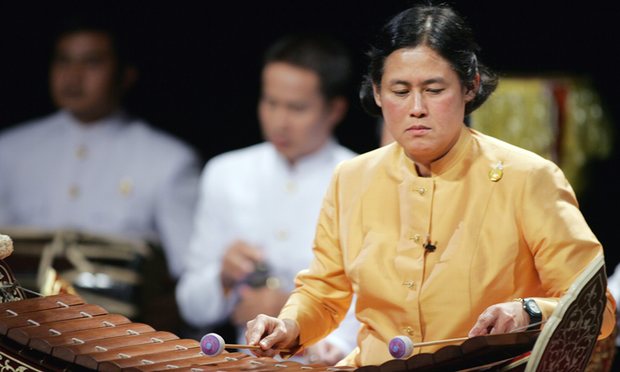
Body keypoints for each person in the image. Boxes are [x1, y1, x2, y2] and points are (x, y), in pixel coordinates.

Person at [244, 4, 616, 367]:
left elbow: (597, 311)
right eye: (400, 91)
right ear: (377, 92)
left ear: (470, 87)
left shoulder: (529, 178)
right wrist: (289, 325)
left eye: (434, 90)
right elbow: (323, 293)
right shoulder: (351, 179)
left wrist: (529, 310)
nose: (416, 108)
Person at [175, 34, 359, 364]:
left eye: (297, 108)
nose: (279, 121)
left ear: (335, 109)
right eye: (270, 103)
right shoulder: (225, 172)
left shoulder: (359, 177)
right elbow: (191, 304)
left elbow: (376, 301)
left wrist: (291, 311)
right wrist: (223, 277)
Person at [0, 18, 201, 280]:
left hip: (118, 316)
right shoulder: (11, 148)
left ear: (125, 74)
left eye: (92, 62)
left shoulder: (169, 160)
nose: (73, 76)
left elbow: (190, 272)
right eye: (63, 60)